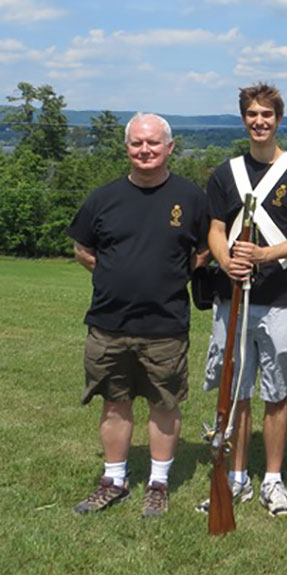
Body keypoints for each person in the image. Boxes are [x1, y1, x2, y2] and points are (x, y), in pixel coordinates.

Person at [69, 113, 208, 518]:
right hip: (108, 322)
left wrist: (169, 276)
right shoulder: (103, 197)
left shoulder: (191, 198)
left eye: (152, 143)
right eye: (136, 143)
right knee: (114, 402)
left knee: (164, 404)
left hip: (165, 323)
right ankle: (113, 480)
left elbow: (203, 250)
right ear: (126, 147)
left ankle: (158, 483)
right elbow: (83, 249)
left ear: (169, 147)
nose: (144, 150)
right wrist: (116, 274)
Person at [197, 83, 287, 517]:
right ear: (243, 119)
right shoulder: (224, 173)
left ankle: (272, 479)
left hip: (280, 297)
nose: (259, 121)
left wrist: (267, 254)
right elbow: (215, 228)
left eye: (266, 115)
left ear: (278, 119)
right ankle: (236, 478)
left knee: (277, 391)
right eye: (252, 114)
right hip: (230, 296)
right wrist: (225, 260)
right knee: (237, 392)